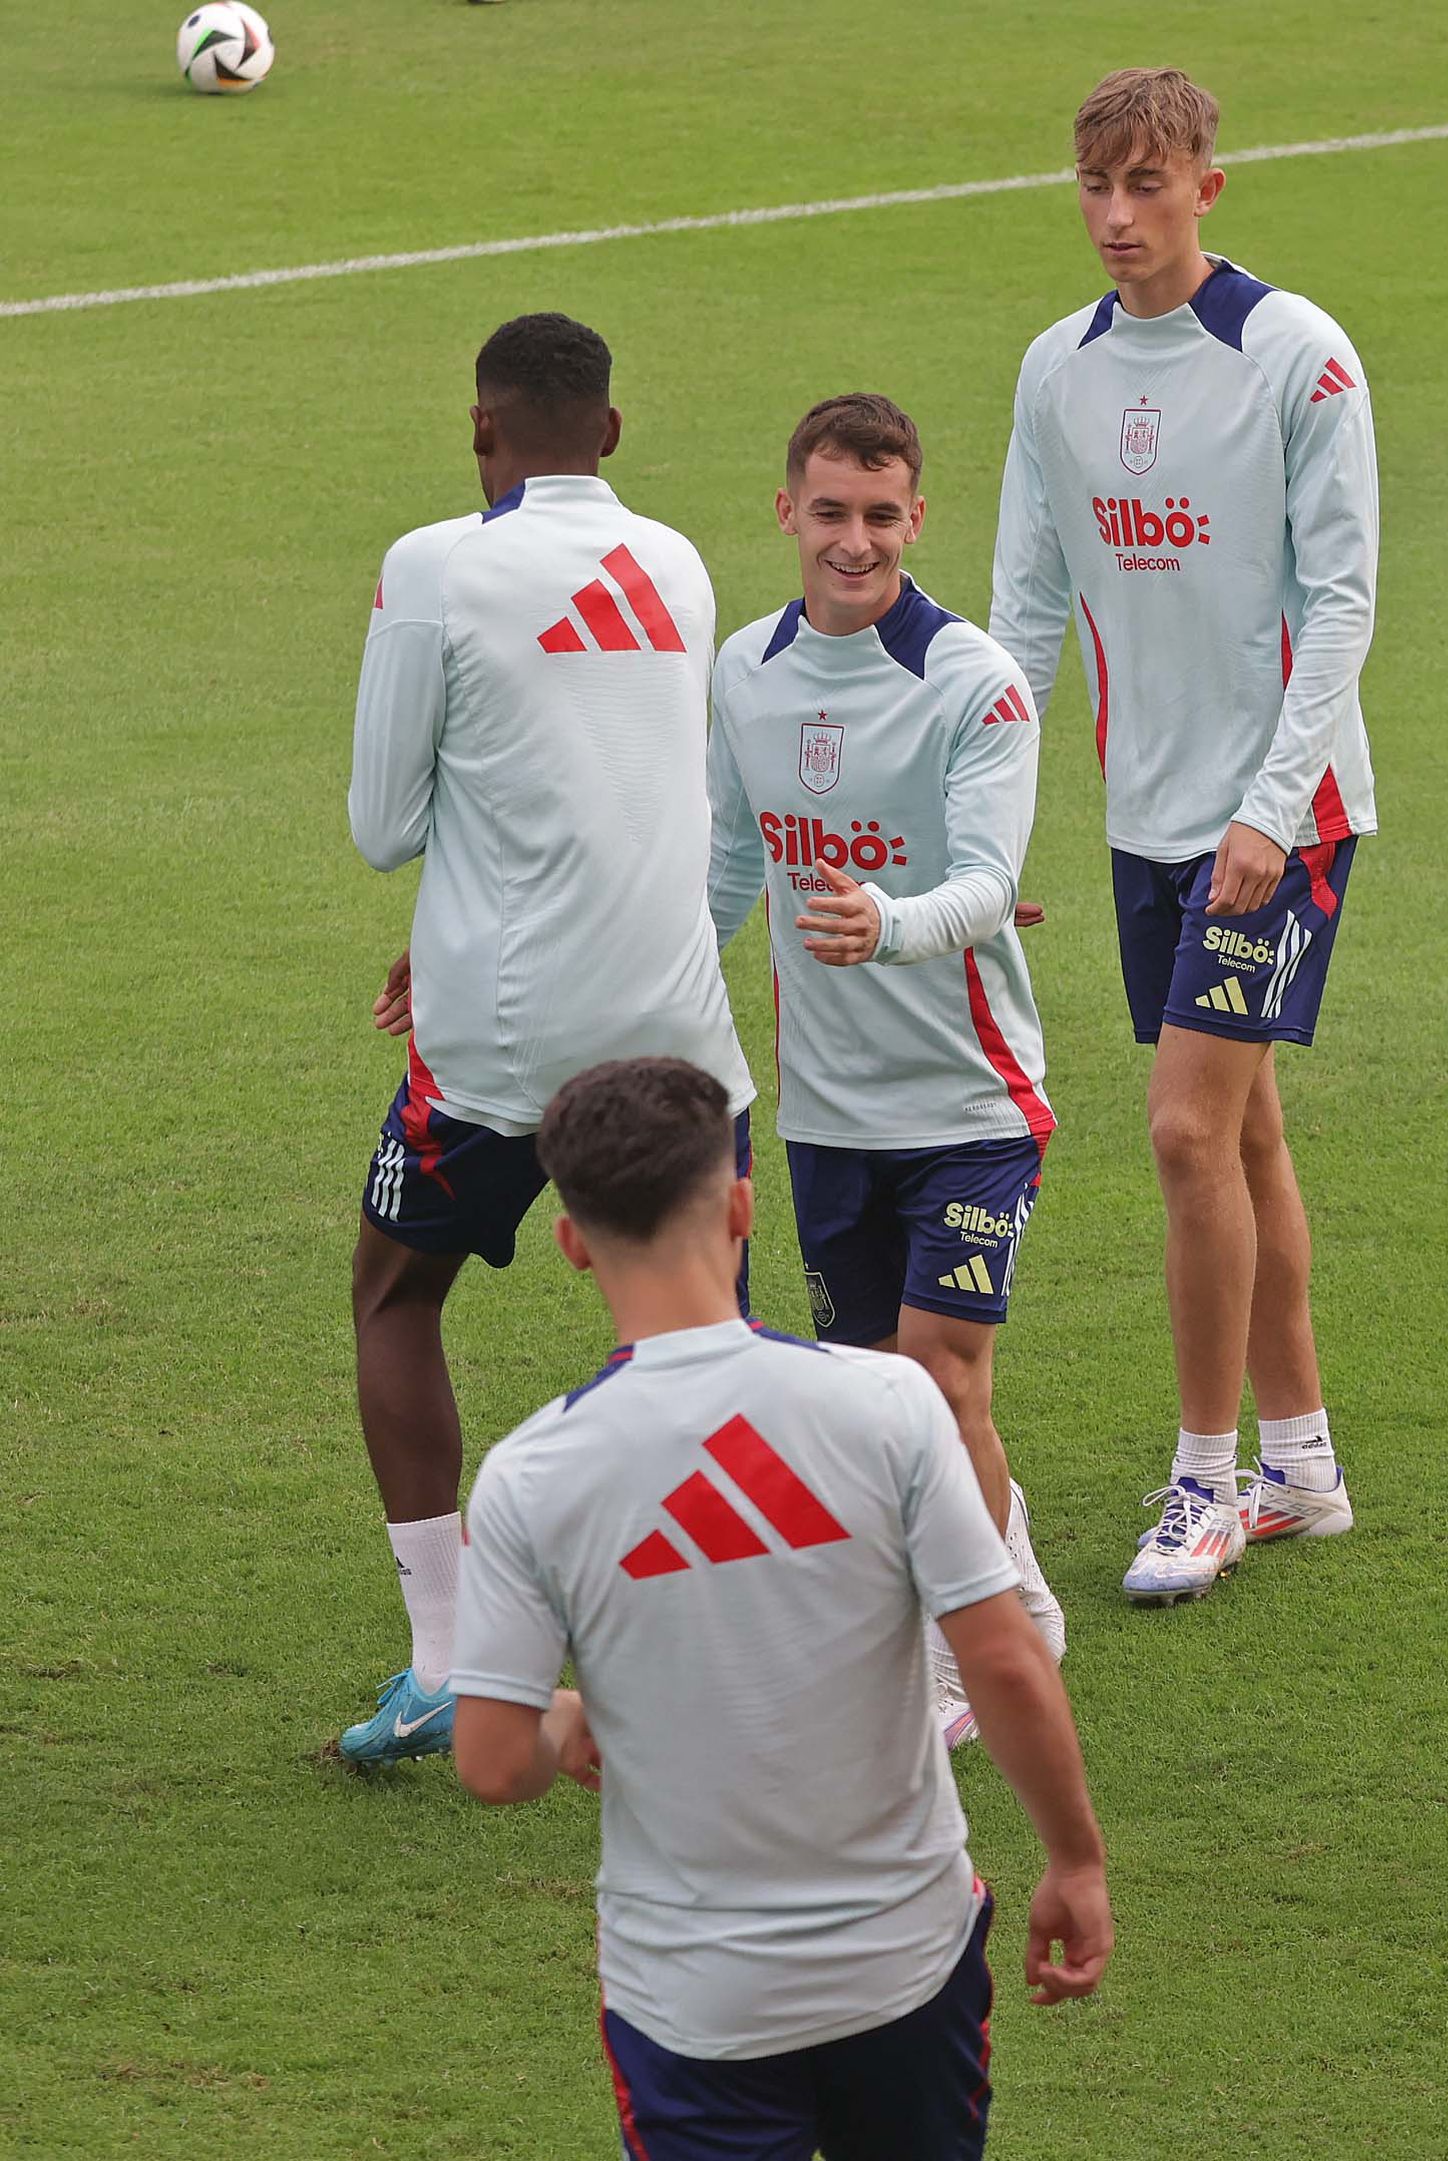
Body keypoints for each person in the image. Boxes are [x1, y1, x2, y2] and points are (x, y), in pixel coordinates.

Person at [452, 1058, 1114, 2161]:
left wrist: (567, 1723)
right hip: (904, 1966)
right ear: (743, 1205)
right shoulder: (889, 1403)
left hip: (694, 2009)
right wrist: (1076, 1860)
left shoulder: (531, 1475)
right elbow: (1001, 1661)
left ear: (571, 1243)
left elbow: (490, 1761)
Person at [340, 313, 755, 1762]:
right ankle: (719, 1659)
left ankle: (449, 1657)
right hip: (677, 1021)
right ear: (615, 435)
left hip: (501, 1037)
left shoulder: (434, 566)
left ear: (479, 431)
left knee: (394, 1293)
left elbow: (385, 824)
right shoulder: (684, 561)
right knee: (701, 1337)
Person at [989, 68, 1377, 1602]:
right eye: (1095, 185)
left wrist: (1270, 811)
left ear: (1209, 185)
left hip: (1286, 813)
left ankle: (1203, 1482)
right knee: (1244, 1131)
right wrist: (985, 832)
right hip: (1143, 813)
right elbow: (1022, 617)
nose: (1117, 215)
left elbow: (1341, 600)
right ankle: (1305, 1466)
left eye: (1148, 184)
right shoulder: (1053, 372)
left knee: (1179, 1129)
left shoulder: (1298, 355)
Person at [705, 394, 1064, 1745]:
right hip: (829, 1113)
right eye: (831, 513)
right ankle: (1015, 1588)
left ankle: (960, 1653)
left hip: (973, 1099)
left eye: (882, 517)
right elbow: (734, 857)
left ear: (918, 519)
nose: (855, 543)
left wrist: (887, 924)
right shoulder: (744, 669)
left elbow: (989, 883)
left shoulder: (975, 684)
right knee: (882, 1402)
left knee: (939, 1377)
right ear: (787, 511)